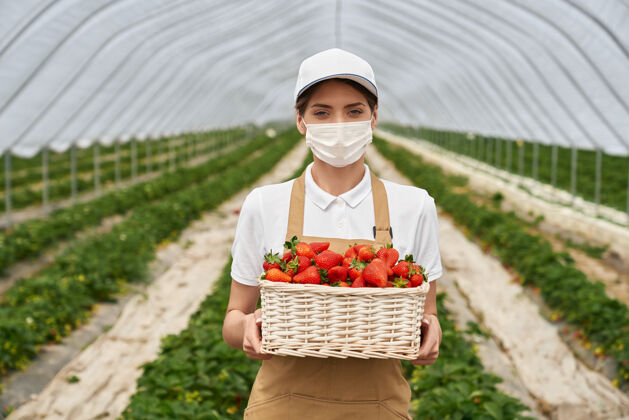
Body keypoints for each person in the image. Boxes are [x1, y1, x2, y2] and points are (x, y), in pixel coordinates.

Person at [222, 47, 443, 419]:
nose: (339, 124)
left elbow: (428, 315)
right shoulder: (264, 204)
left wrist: (429, 335)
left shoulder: (415, 205)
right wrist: (246, 328)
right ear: (300, 120)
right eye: (322, 112)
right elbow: (233, 317)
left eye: (354, 111)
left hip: (378, 408)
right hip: (282, 407)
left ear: (374, 118)